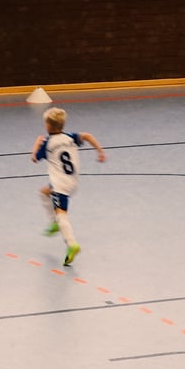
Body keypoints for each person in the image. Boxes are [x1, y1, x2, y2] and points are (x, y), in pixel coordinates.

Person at [31, 107, 106, 266]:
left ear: (48, 126)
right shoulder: (70, 137)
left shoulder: (47, 143)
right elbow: (87, 135)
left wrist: (37, 143)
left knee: (62, 214)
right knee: (44, 193)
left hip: (60, 184)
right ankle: (54, 223)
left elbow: (34, 158)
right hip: (72, 180)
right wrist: (100, 151)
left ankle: (72, 244)